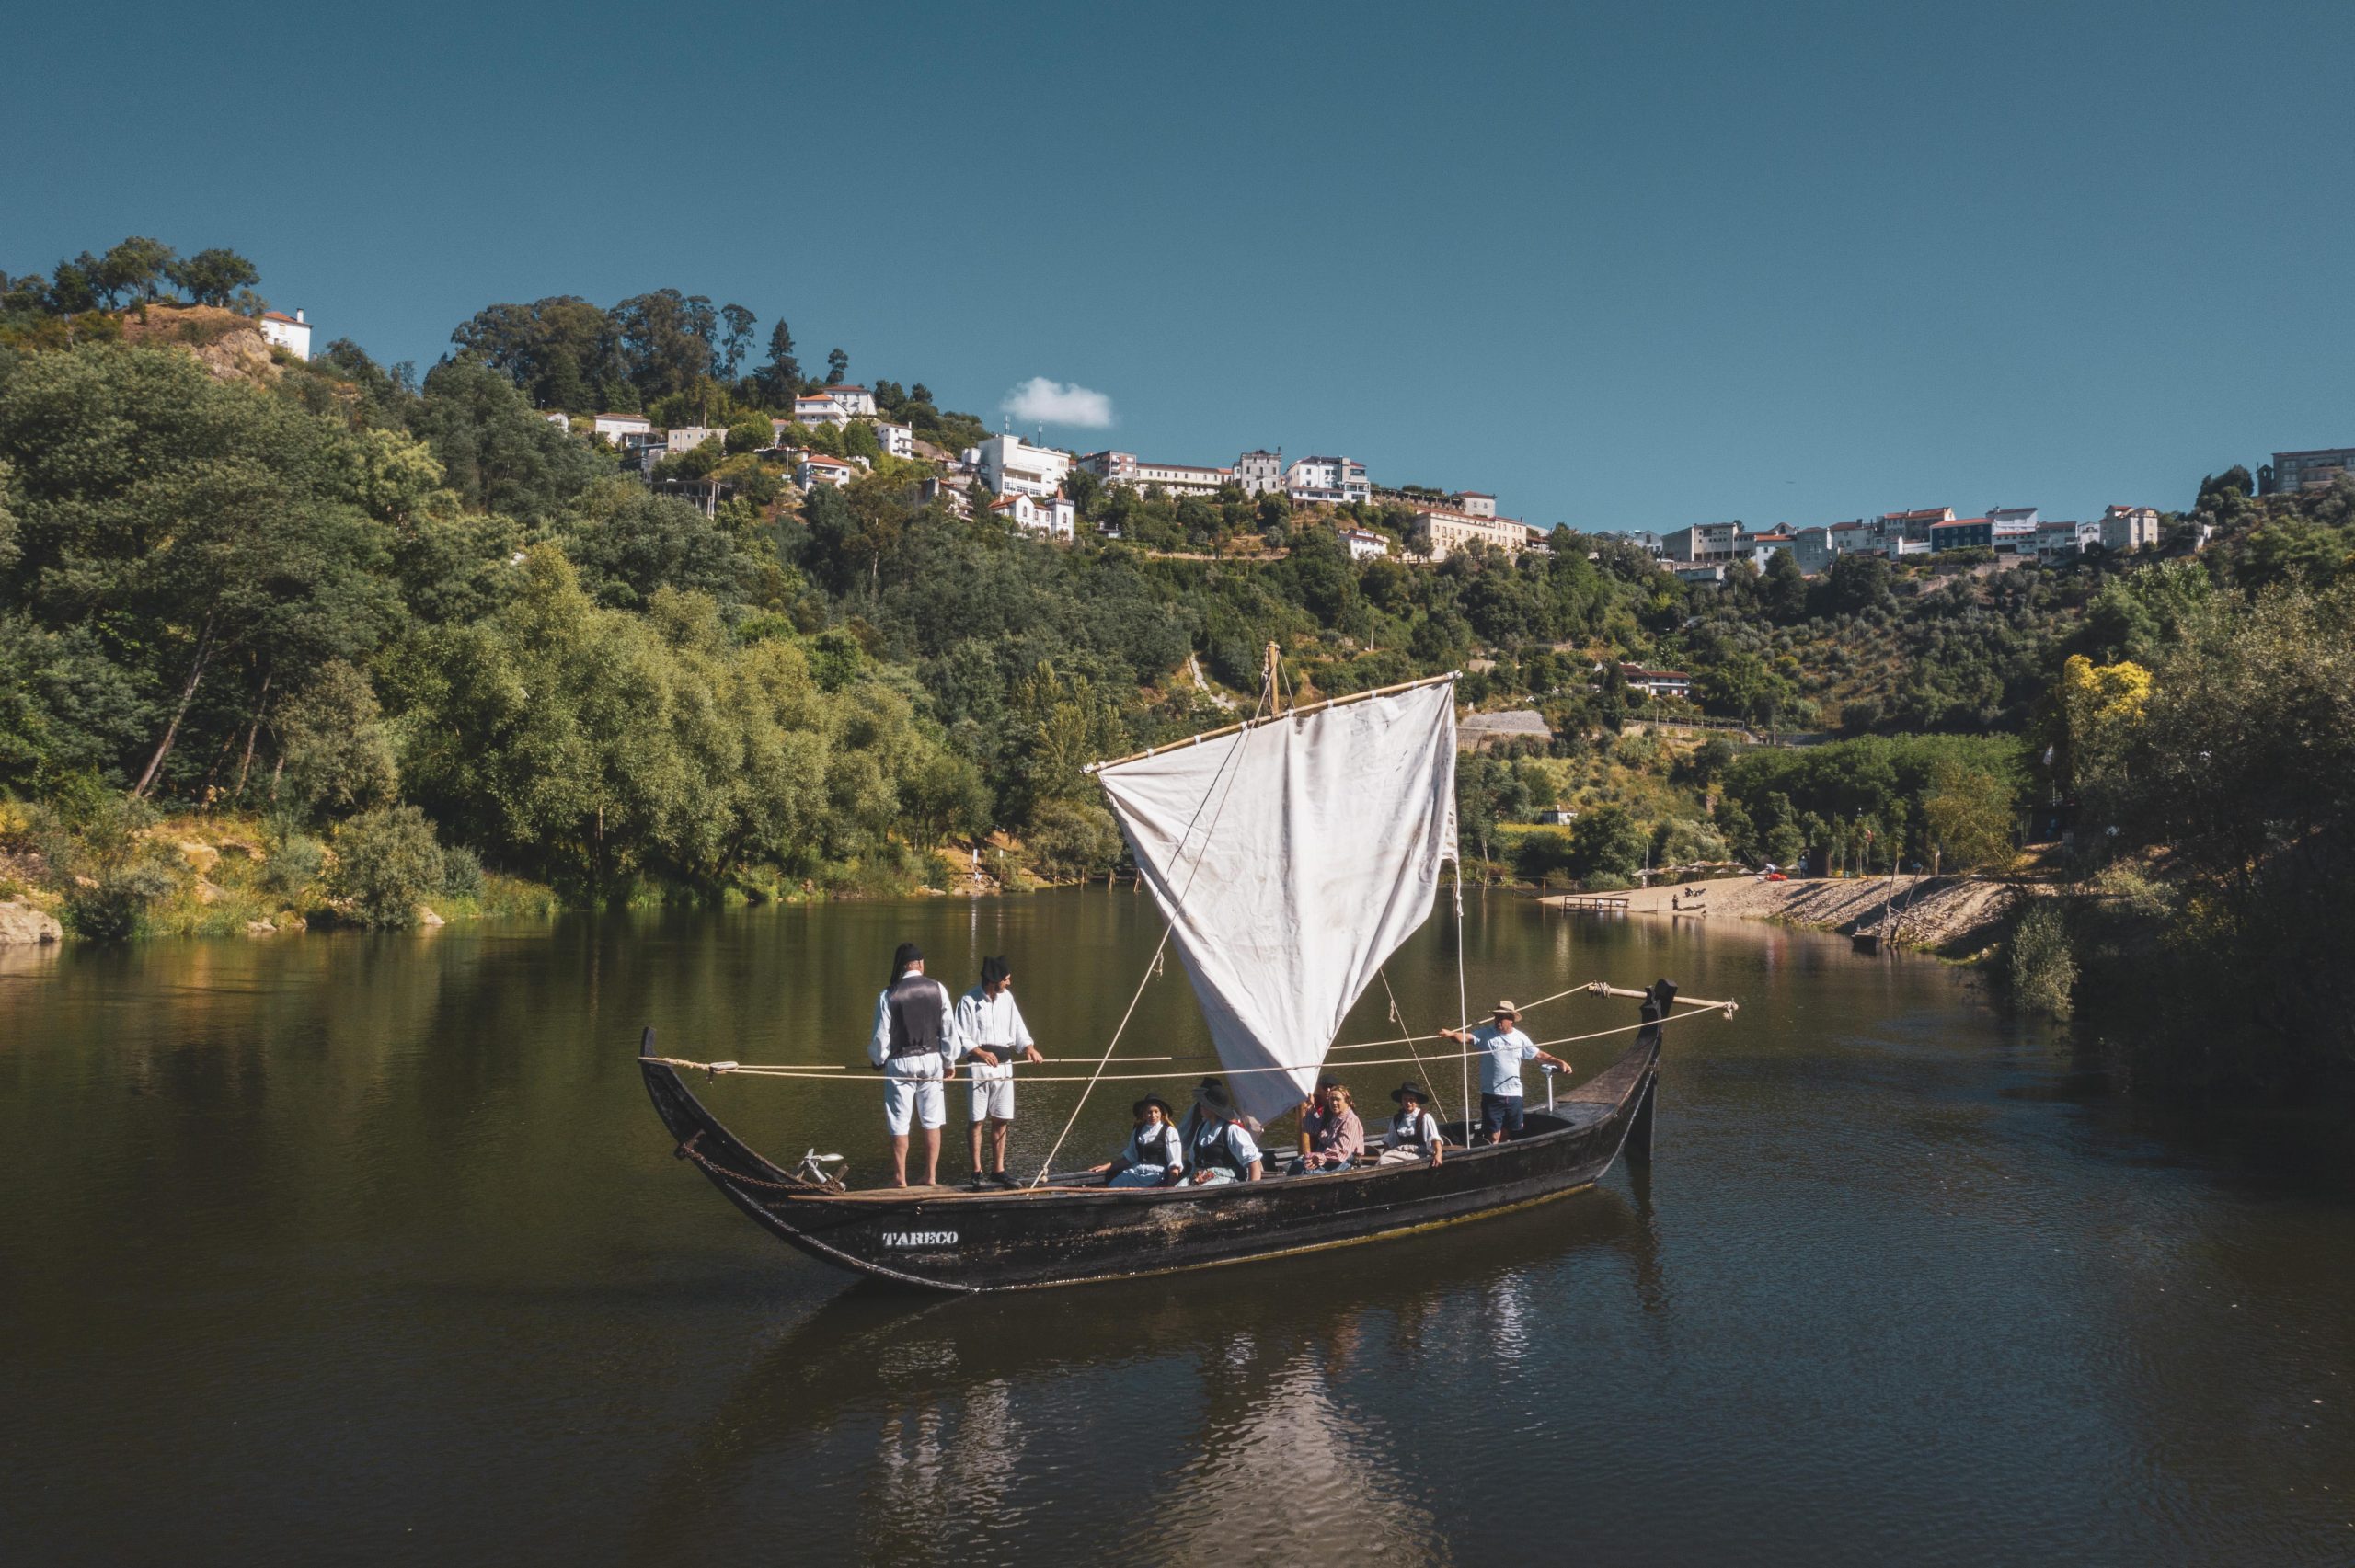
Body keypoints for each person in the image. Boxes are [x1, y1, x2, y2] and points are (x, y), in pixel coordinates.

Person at [867, 942, 971, 1187]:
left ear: (901, 966)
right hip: (932, 1060)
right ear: (920, 964)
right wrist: (950, 1061)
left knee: (899, 1121)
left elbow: (882, 1036)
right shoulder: (938, 989)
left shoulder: (888, 993)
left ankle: (900, 1178)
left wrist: (877, 1060)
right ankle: (930, 1176)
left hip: (900, 1061)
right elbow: (948, 1029)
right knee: (932, 1119)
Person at [956, 956, 1044, 1189]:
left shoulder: (1008, 999)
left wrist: (1029, 1048)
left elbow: (1018, 1027)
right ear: (993, 980)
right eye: (1006, 979)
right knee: (976, 1120)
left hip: (1004, 1066)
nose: (1009, 983)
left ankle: (998, 1170)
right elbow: (961, 1034)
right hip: (978, 1066)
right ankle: (976, 1171)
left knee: (1001, 1119)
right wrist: (980, 1052)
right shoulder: (968, 1000)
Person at [1442, 1000, 1570, 1144]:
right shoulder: (1486, 1034)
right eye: (1496, 1017)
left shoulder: (1520, 1038)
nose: (1497, 1021)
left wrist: (1559, 1062)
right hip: (1492, 1094)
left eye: (1501, 1018)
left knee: (1508, 1133)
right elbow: (1465, 1038)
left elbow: (1539, 1055)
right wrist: (1452, 1034)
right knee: (1493, 1136)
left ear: (1511, 1020)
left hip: (1514, 1094)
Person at [1091, 1095, 1185, 1187]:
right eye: (1149, 1112)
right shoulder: (1138, 1131)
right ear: (1143, 1114)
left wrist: (1170, 1187)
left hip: (1158, 1175)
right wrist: (1106, 1166)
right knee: (1115, 1184)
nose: (1153, 1115)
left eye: (1156, 1111)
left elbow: (1175, 1165)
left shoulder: (1170, 1131)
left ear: (1161, 1113)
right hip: (1137, 1172)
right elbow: (1130, 1158)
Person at [1185, 1081, 1263, 1185]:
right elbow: (1193, 1160)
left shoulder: (1232, 1130)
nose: (1201, 1106)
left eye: (1204, 1103)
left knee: (1201, 1189)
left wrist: (1252, 1192)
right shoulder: (1202, 1128)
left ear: (1213, 1108)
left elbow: (1253, 1162)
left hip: (1228, 1181)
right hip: (1202, 1177)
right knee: (1177, 1189)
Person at [1291, 1080, 1363, 1174]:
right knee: (1296, 1165)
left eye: (1338, 1099)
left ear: (1346, 1101)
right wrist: (1310, 1108)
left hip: (1343, 1161)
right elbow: (1312, 1129)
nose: (1334, 1103)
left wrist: (1322, 1156)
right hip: (1327, 1158)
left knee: (1305, 1171)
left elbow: (1342, 1151)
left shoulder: (1350, 1120)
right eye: (1332, 1099)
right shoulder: (1331, 1115)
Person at [1378, 1082, 1445, 1166]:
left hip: (1420, 1154)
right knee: (1383, 1159)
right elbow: (1390, 1143)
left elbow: (1435, 1140)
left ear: (1416, 1101)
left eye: (1411, 1099)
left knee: (1385, 1160)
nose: (1408, 1102)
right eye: (1405, 1099)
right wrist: (1384, 1154)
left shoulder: (1424, 1117)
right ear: (1401, 1101)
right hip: (1402, 1152)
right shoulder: (1397, 1119)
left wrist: (1438, 1155)